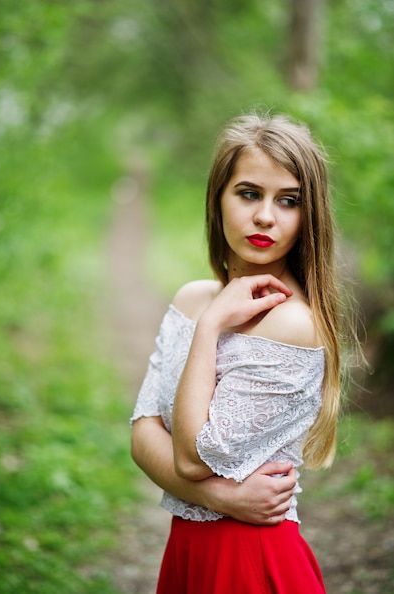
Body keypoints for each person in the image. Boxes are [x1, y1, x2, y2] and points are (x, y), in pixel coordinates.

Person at [131, 112, 349, 593]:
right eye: (249, 193)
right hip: (188, 553)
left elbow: (190, 458)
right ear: (219, 200)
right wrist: (226, 498)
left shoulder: (292, 325)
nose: (265, 216)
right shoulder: (192, 299)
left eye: (288, 201)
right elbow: (143, 431)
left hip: (249, 561)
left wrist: (210, 330)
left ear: (308, 215)